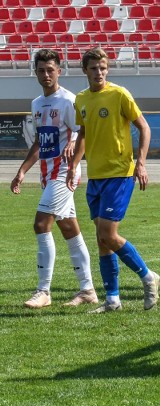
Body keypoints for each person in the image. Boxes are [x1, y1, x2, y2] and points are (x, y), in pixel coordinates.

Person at [66, 47, 160, 313]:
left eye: (103, 68)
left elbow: (144, 126)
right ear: (85, 70)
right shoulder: (81, 100)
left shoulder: (119, 94)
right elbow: (83, 133)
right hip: (95, 176)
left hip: (119, 173)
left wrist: (140, 163)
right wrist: (74, 164)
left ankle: (147, 276)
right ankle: (112, 299)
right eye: (94, 68)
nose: (99, 72)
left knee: (109, 234)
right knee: (101, 238)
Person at [11, 49, 97, 309]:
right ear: (35, 72)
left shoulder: (68, 100)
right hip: (47, 174)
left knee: (41, 224)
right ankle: (88, 290)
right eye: (41, 70)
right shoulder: (37, 103)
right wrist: (23, 170)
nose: (46, 74)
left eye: (51, 70)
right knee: (69, 228)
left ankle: (43, 290)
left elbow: (82, 133)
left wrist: (73, 160)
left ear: (59, 71)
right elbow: (39, 141)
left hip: (64, 172)